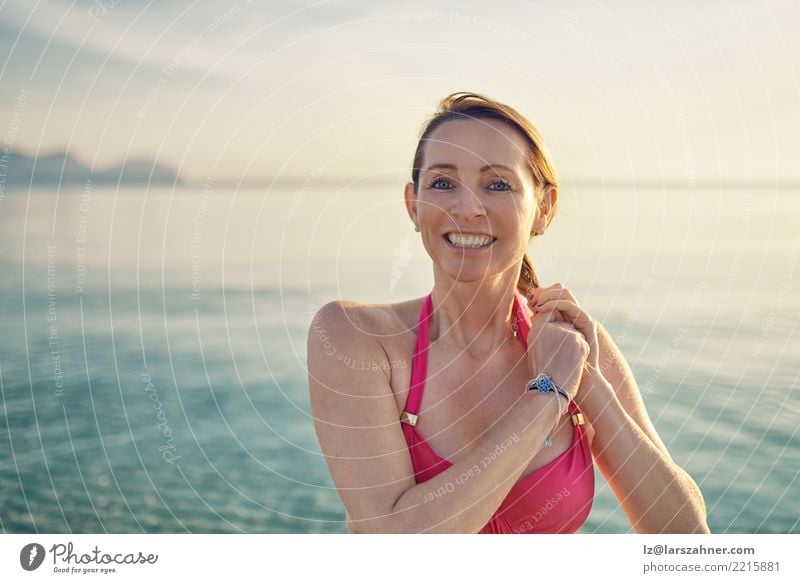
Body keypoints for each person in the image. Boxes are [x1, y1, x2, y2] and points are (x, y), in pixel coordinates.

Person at [307, 92, 709, 534]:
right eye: (442, 183)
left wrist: (587, 380)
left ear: (544, 208)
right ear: (413, 205)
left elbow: (686, 535)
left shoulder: (576, 346)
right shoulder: (357, 338)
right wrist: (549, 391)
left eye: (497, 184)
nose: (467, 208)